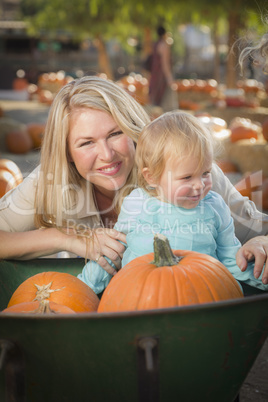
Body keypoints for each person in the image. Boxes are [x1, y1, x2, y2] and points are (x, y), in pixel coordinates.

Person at [0, 76, 267, 283]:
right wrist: (65, 237)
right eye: (86, 143)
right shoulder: (50, 180)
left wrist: (261, 242)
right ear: (67, 152)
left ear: (133, 130)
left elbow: (259, 228)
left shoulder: (189, 173)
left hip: (192, 299)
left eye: (115, 133)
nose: (106, 155)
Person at [78, 111, 268, 294]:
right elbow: (114, 252)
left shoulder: (214, 205)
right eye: (186, 177)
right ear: (151, 177)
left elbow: (231, 258)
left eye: (206, 173)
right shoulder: (136, 204)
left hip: (203, 293)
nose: (199, 185)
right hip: (141, 295)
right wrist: (83, 287)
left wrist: (262, 279)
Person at [148, 26, 178, 112]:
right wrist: (169, 78)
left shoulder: (155, 45)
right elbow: (165, 64)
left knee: (156, 103)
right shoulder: (163, 46)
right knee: (167, 104)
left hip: (155, 75)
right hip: (162, 77)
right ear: (165, 34)